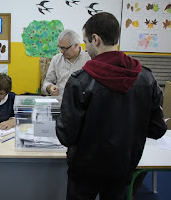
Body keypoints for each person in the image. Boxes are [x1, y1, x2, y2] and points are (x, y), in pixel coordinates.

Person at [56, 12, 167, 200]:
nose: (85, 48)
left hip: (84, 172)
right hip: (124, 168)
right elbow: (157, 129)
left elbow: (66, 135)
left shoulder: (79, 82)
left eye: (86, 42)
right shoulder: (147, 78)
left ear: (95, 39)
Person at [42, 29, 90, 97]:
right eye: (60, 47)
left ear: (76, 45)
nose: (61, 51)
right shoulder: (56, 59)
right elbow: (46, 83)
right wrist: (50, 88)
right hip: (60, 102)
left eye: (64, 48)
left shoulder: (88, 59)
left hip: (82, 103)